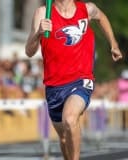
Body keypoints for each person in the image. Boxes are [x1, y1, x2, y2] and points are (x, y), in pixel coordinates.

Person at [25, 0, 123, 160]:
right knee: (64, 138)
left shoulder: (86, 9)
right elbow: (29, 51)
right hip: (54, 86)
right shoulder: (43, 13)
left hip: (81, 80)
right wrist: (38, 33)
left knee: (70, 119)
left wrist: (113, 44)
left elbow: (102, 17)